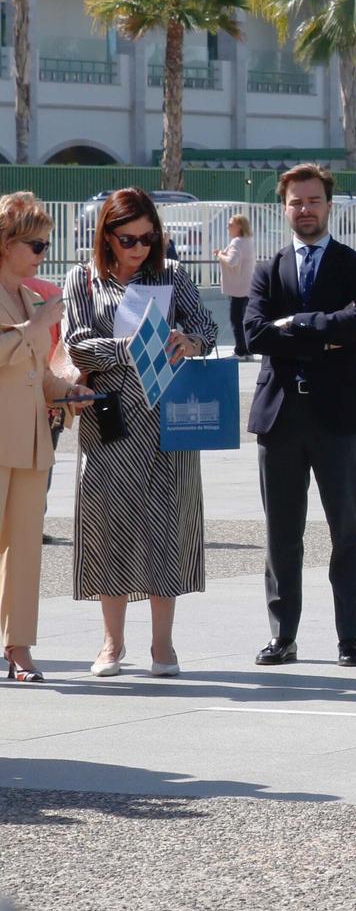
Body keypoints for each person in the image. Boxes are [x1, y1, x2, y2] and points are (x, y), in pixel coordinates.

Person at [64, 187, 216, 679]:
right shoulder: (81, 281)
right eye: (128, 238)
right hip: (110, 421)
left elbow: (207, 330)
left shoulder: (173, 275)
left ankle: (163, 645)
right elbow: (79, 347)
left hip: (167, 419)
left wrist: (188, 341)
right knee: (109, 527)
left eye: (148, 238)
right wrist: (132, 348)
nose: (139, 249)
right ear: (106, 236)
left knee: (165, 526)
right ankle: (111, 643)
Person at [244, 164, 356, 668]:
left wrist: (297, 324)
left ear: (329, 205)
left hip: (339, 417)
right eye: (296, 201)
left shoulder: (355, 265)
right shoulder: (267, 269)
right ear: (285, 208)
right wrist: (323, 337)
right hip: (279, 418)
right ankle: (283, 636)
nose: (305, 209)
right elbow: (255, 333)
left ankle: (349, 637)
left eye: (314, 200)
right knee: (282, 534)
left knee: (347, 531)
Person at [0, 194, 76, 682]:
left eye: (46, 243)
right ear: (5, 243)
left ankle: (19, 648)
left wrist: (70, 390)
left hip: (31, 439)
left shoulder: (31, 297)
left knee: (25, 549)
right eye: (35, 243)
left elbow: (35, 370)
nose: (43, 252)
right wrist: (38, 326)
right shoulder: (35, 310)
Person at [216, 214, 254, 358]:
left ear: (240, 227)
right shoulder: (248, 241)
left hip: (238, 288)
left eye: (231, 224)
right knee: (243, 319)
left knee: (236, 320)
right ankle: (247, 350)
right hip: (247, 286)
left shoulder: (237, 242)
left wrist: (220, 254)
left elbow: (232, 261)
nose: (228, 227)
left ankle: (240, 351)